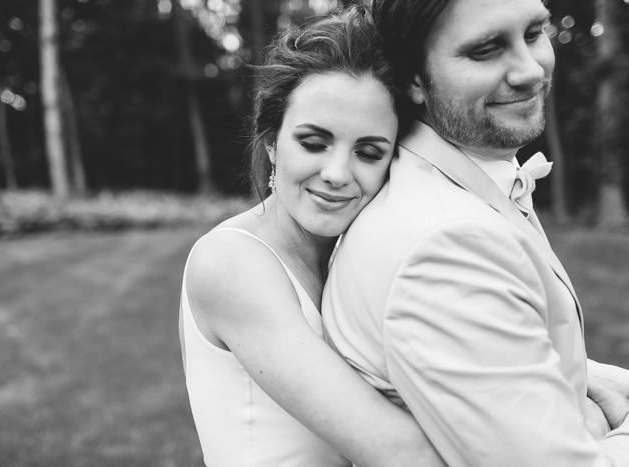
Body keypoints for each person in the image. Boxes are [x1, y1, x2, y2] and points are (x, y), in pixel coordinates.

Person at [323, 0, 629, 465]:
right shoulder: (444, 247)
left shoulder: (460, 179)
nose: (530, 70)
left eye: (533, 33)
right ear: (413, 80)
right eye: (486, 50)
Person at [179, 6, 444, 467]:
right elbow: (401, 452)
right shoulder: (231, 263)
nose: (338, 174)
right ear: (270, 143)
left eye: (368, 151)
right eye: (314, 143)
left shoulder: (356, 254)